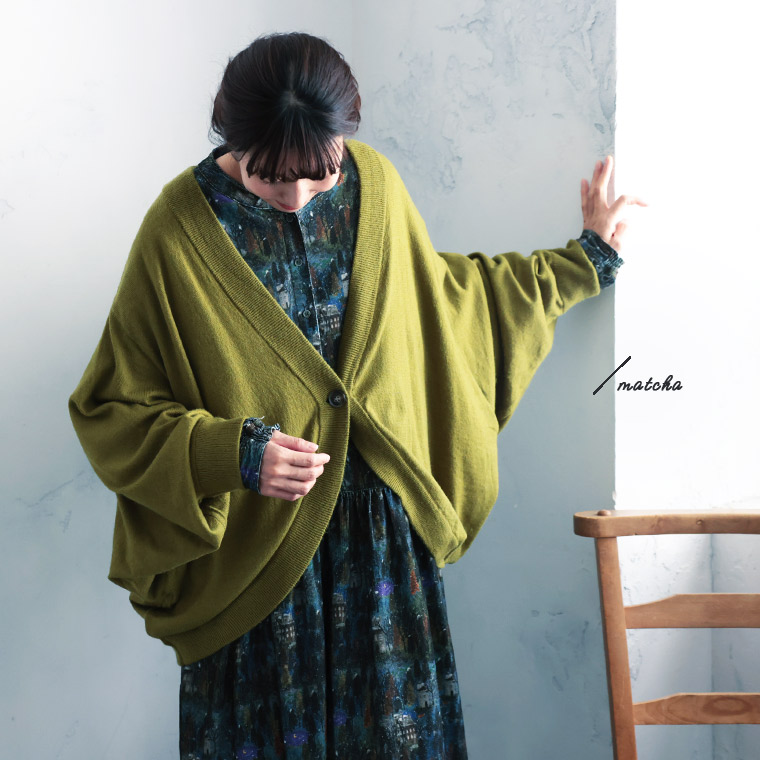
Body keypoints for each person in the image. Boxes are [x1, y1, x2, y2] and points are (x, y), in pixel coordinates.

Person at [69, 31, 643, 760]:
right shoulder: (177, 231)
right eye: (272, 179)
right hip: (257, 572)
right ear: (231, 142)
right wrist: (234, 453)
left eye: (320, 174)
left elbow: (446, 304)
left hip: (384, 563)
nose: (298, 197)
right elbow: (112, 409)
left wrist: (585, 261)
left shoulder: (376, 187)